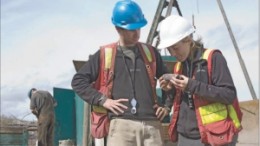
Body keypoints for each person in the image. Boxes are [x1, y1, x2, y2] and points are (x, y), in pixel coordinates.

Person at [71, 1, 170, 146]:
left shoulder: (151, 53)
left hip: (152, 126)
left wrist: (166, 107)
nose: (137, 33)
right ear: (119, 29)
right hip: (121, 128)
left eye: (139, 28)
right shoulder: (105, 55)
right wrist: (103, 100)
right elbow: (78, 81)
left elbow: (169, 81)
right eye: (132, 29)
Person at [158, 15, 242, 146]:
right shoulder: (179, 66)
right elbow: (182, 99)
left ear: (188, 39)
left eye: (175, 47)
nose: (173, 54)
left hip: (213, 136)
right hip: (185, 137)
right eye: (169, 49)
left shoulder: (212, 58)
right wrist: (169, 90)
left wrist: (192, 85)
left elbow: (228, 94)